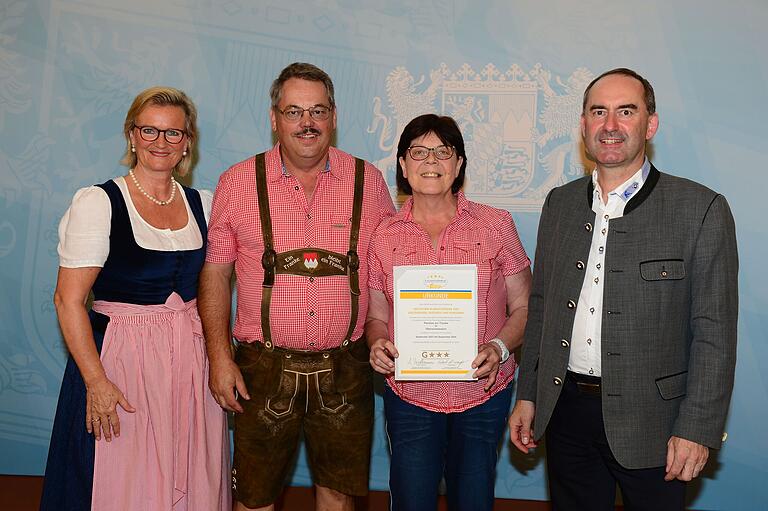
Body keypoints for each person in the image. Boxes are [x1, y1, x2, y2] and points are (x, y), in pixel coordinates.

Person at [508, 68, 738, 510]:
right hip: (566, 414)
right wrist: (530, 395)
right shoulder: (559, 203)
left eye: (625, 111)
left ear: (650, 124)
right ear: (583, 125)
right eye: (599, 111)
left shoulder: (701, 209)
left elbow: (714, 335)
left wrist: (696, 428)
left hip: (657, 425)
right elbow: (541, 309)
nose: (610, 125)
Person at [198, 62, 396, 511]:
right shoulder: (237, 181)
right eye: (294, 112)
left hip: (347, 365)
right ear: (274, 118)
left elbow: (390, 270)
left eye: (317, 111)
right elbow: (216, 273)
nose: (307, 123)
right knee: (254, 497)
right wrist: (218, 356)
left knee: (338, 496)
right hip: (261, 368)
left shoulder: (370, 181)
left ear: (334, 116)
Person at [40, 87, 230, 510]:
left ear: (188, 143)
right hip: (121, 365)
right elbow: (67, 301)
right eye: (149, 130)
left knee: (195, 470)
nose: (160, 142)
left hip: (189, 365)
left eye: (173, 133)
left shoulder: (205, 204)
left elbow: (216, 288)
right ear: (131, 135)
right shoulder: (99, 203)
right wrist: (95, 382)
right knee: (121, 478)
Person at [366, 114, 532, 511]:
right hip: (411, 397)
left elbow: (526, 305)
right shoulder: (383, 234)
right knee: (411, 502)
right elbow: (375, 314)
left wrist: (500, 347)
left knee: (473, 501)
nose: (431, 162)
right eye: (419, 152)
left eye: (443, 152)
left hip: (481, 393)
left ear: (459, 165)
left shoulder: (496, 225)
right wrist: (376, 343)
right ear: (403, 166)